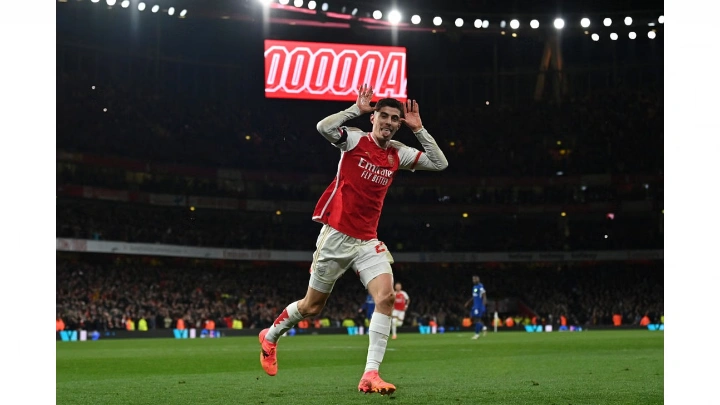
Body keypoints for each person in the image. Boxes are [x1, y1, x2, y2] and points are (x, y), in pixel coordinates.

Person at [257, 83, 449, 396]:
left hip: (367, 241)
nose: (388, 122)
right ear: (374, 118)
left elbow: (440, 163)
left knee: (385, 297)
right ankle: (271, 337)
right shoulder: (355, 139)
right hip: (336, 237)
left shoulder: (397, 153)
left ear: (400, 123)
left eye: (394, 119)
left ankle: (370, 374)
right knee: (311, 307)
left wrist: (420, 129)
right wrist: (355, 110)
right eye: (383, 115)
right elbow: (323, 127)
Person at [464, 275, 487, 339]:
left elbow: (484, 296)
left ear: (478, 280)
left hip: (479, 306)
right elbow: (474, 296)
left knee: (477, 319)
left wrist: (483, 305)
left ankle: (477, 334)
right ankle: (483, 327)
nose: (474, 280)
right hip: (475, 306)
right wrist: (468, 302)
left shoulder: (480, 286)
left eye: (475, 279)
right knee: (474, 318)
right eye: (473, 279)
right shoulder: (474, 287)